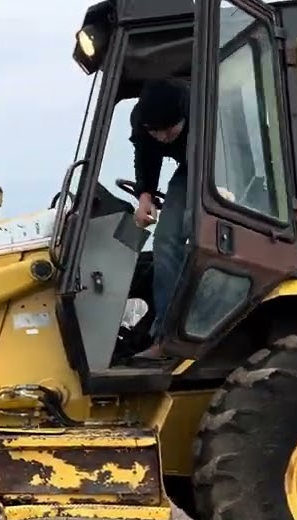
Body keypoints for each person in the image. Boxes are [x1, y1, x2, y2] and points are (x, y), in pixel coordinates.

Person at [128, 78, 191, 364]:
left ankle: (183, 334)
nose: (164, 137)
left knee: (199, 230)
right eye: (157, 132)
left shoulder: (201, 103)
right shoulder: (143, 123)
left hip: (225, 160)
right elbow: (147, 156)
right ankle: (167, 335)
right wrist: (145, 196)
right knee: (165, 239)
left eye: (170, 130)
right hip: (190, 167)